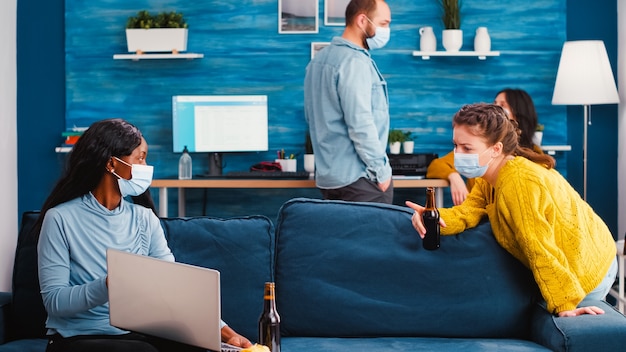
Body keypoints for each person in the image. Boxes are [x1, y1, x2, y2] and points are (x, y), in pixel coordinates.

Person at [34, 119, 253, 352]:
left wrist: (226, 334)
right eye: (140, 158)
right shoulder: (59, 219)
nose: (146, 166)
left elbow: (174, 288)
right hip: (80, 337)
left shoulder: (145, 218)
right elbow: (54, 302)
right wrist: (109, 285)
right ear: (111, 164)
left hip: (139, 333)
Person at [407, 103, 617, 317]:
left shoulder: (518, 182)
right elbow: (467, 211)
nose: (458, 154)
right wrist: (433, 217)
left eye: (467, 148)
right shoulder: (489, 177)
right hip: (581, 259)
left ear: (496, 149)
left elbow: (537, 245)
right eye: (456, 145)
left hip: (591, 268)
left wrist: (565, 305)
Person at [304, 0, 393, 204]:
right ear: (362, 20)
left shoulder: (318, 61)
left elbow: (311, 118)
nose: (387, 30)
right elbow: (360, 123)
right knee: (373, 236)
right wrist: (381, 172)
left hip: (330, 180)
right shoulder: (355, 61)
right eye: (384, 23)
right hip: (360, 180)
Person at [426, 88, 542, 205]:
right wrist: (453, 176)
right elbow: (436, 165)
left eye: (502, 105)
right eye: (495, 103)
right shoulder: (472, 151)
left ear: (497, 149)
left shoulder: (531, 163)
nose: (496, 108)